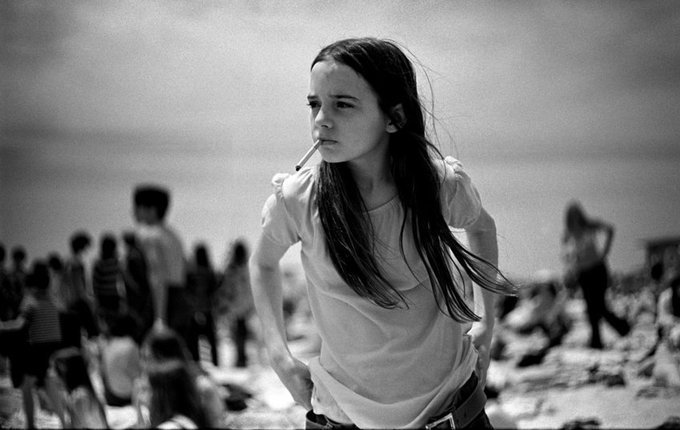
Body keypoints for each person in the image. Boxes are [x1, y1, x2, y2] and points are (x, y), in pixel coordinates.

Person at [249, 37, 514, 429]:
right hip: (342, 418)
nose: (321, 119)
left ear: (394, 117)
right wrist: (279, 356)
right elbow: (263, 263)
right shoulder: (300, 199)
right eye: (314, 104)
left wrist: (487, 324)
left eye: (342, 104)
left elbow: (481, 225)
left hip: (451, 413)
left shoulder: (436, 187)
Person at [0, 261, 66, 428]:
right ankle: (65, 421)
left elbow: (20, 324)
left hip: (36, 347)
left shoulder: (30, 301)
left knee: (26, 385)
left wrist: (2, 326)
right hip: (52, 346)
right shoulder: (52, 300)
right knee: (47, 382)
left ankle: (30, 424)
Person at [561, 201, 630, 349]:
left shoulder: (590, 226)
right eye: (572, 216)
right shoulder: (569, 233)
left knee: (599, 305)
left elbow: (610, 230)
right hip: (583, 274)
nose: (574, 219)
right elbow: (567, 255)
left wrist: (604, 253)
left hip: (597, 269)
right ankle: (597, 340)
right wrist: (571, 269)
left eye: (576, 215)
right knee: (591, 307)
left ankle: (622, 327)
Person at [133, 325, 225, 428]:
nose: (143, 364)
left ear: (166, 359)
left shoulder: (202, 387)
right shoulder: (143, 386)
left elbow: (216, 423)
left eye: (148, 358)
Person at [132, 185, 189, 344]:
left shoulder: (148, 235)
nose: (134, 212)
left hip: (161, 300)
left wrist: (159, 317)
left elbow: (157, 275)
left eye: (138, 207)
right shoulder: (172, 235)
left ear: (151, 210)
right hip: (179, 297)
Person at [51, 347, 109, 428]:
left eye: (55, 369)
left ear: (64, 370)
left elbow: (83, 426)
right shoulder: (80, 392)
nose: (52, 374)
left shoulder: (79, 396)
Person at [219, 239, 255, 368]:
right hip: (244, 305)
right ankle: (241, 358)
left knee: (238, 333)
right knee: (241, 333)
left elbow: (226, 288)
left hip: (236, 306)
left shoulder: (233, 269)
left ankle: (241, 359)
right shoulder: (246, 268)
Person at [147, 360, 207, 429]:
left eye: (148, 390)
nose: (145, 397)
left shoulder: (168, 427)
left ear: (160, 396)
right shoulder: (187, 422)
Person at [185, 242, 219, 365]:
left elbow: (188, 292)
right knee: (212, 342)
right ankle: (215, 365)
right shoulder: (210, 273)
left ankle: (197, 364)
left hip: (194, 311)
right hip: (207, 310)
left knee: (194, 342)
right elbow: (214, 293)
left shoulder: (190, 274)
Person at [100, 312, 142, 407]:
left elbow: (103, 372)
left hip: (111, 395)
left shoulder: (107, 345)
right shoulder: (131, 345)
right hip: (127, 396)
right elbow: (136, 374)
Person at [121, 231, 153, 342]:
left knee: (138, 321)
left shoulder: (132, 256)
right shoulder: (139, 253)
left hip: (136, 294)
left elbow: (129, 276)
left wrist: (135, 287)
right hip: (141, 293)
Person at [92, 233, 126, 331]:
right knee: (116, 321)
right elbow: (122, 280)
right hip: (115, 295)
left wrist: (96, 299)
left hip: (103, 296)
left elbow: (95, 283)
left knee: (106, 322)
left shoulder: (98, 263)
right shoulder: (117, 262)